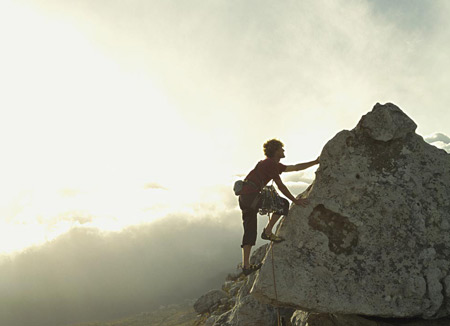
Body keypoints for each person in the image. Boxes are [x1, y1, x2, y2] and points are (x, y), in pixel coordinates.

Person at [238, 139, 320, 276]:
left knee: (249, 231)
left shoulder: (269, 164)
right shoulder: (270, 164)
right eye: (281, 149)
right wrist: (295, 200)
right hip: (252, 196)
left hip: (244, 198)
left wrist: (315, 162)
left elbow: (295, 167)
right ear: (276, 151)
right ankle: (268, 232)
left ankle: (246, 266)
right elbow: (280, 186)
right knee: (283, 204)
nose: (283, 151)